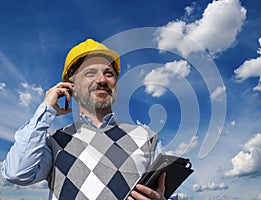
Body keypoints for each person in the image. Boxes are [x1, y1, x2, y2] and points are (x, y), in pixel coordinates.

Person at [1, 38, 167, 200]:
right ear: (70, 87)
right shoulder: (53, 141)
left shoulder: (146, 137)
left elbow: (167, 194)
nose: (102, 80)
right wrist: (46, 109)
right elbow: (16, 173)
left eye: (109, 73)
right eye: (90, 73)